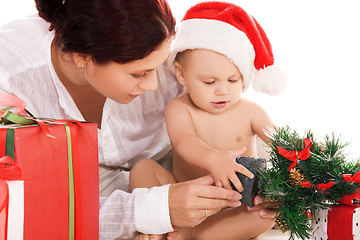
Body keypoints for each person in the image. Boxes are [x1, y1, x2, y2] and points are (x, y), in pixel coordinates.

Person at [0, 0, 278, 239]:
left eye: (157, 68)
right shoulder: (12, 78)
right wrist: (152, 210)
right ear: (82, 57)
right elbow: (31, 212)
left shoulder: (171, 61)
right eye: (139, 74)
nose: (154, 86)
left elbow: (231, 120)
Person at [130, 1, 287, 239]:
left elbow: (281, 143)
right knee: (142, 169)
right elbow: (184, 141)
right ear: (182, 74)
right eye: (210, 82)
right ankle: (156, 224)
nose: (222, 91)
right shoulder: (180, 109)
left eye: (233, 80)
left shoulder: (252, 112)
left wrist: (303, 154)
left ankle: (194, 234)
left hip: (234, 206)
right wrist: (214, 159)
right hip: (186, 199)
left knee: (265, 214)